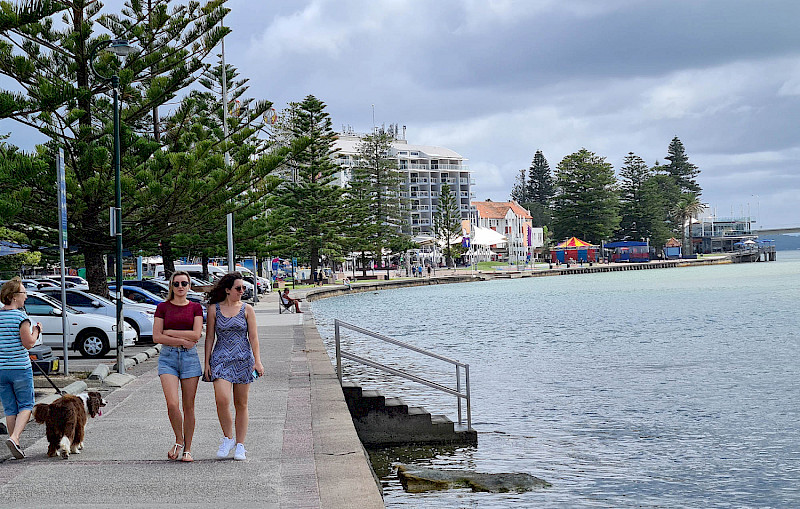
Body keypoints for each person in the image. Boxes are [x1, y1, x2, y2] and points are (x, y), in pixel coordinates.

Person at [204, 273, 264, 461]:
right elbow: (210, 337)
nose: (242, 292)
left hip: (243, 358)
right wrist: (206, 362)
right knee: (222, 399)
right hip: (221, 358)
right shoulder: (214, 309)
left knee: (241, 403)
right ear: (227, 290)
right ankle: (227, 438)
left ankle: (240, 445)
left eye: (243, 288)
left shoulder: (247, 309)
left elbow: (253, 337)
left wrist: (257, 360)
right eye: (238, 288)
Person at [153, 271, 204, 462]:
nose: (180, 287)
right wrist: (183, 339)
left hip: (190, 359)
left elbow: (197, 335)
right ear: (171, 286)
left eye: (184, 283)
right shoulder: (163, 307)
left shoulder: (196, 308)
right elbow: (157, 336)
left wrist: (171, 332)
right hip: (168, 358)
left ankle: (188, 449)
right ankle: (178, 440)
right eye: (176, 284)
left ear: (189, 286)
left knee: (188, 406)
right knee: (172, 403)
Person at [0, 277, 42, 459]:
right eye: (24, 293)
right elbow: (28, 343)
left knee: (10, 408)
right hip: (19, 368)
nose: (26, 296)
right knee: (26, 405)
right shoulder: (21, 317)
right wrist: (37, 330)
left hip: (1, 369)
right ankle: (15, 438)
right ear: (14, 296)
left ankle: (14, 443)